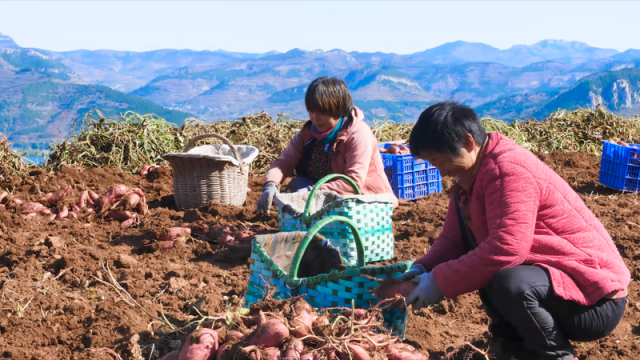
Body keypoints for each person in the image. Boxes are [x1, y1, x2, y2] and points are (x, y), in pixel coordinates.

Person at [398, 102, 630, 360]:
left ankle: (557, 356)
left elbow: (507, 248)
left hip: (595, 299)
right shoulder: (467, 179)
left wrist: (438, 282)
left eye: (441, 161)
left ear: (468, 142)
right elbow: (453, 241)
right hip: (556, 284)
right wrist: (422, 269)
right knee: (480, 264)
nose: (441, 172)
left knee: (507, 280)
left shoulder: (507, 170)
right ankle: (514, 348)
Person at [256, 76, 396, 213]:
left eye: (322, 112)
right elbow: (284, 162)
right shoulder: (308, 134)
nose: (315, 118)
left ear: (338, 109)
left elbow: (353, 183)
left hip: (365, 199)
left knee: (302, 194)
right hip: (327, 195)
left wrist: (312, 193)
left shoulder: (358, 134)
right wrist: (271, 184)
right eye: (311, 111)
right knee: (295, 186)